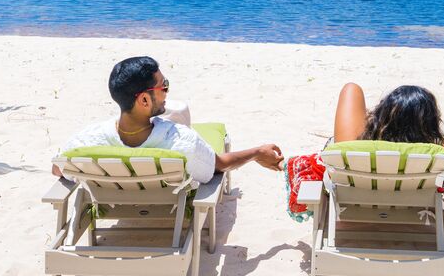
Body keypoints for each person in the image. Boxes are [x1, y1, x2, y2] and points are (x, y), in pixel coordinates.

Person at [284, 81, 444, 224]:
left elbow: (309, 166)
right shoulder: (440, 156)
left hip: (357, 199)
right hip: (412, 203)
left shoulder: (354, 152)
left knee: (351, 89)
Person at [57, 56, 284, 184]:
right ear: (145, 100)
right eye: (163, 86)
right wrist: (257, 153)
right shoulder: (181, 142)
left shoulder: (85, 142)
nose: (166, 91)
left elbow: (58, 170)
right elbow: (218, 166)